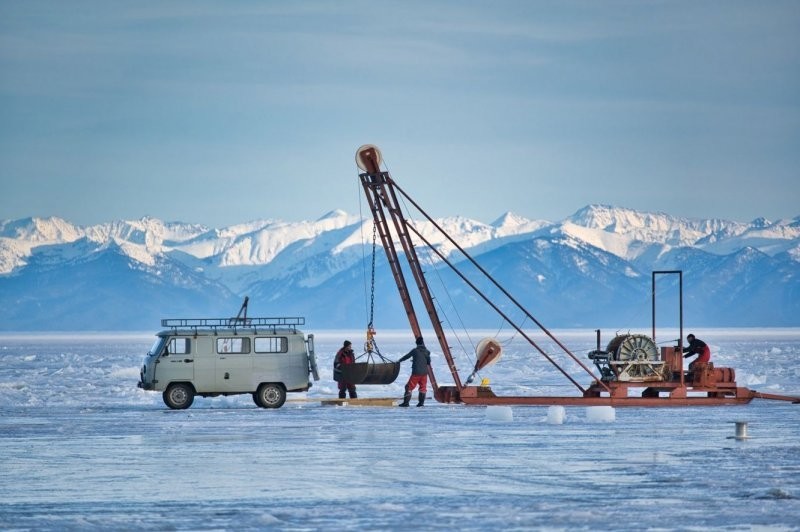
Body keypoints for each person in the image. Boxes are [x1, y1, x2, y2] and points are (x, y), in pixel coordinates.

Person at [397, 336, 431, 407]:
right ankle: (421, 403)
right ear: (422, 343)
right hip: (424, 373)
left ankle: (406, 403)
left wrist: (399, 360)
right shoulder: (427, 351)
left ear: (416, 343)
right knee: (423, 388)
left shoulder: (415, 351)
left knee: (408, 387)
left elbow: (407, 356)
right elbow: (428, 362)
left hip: (416, 372)